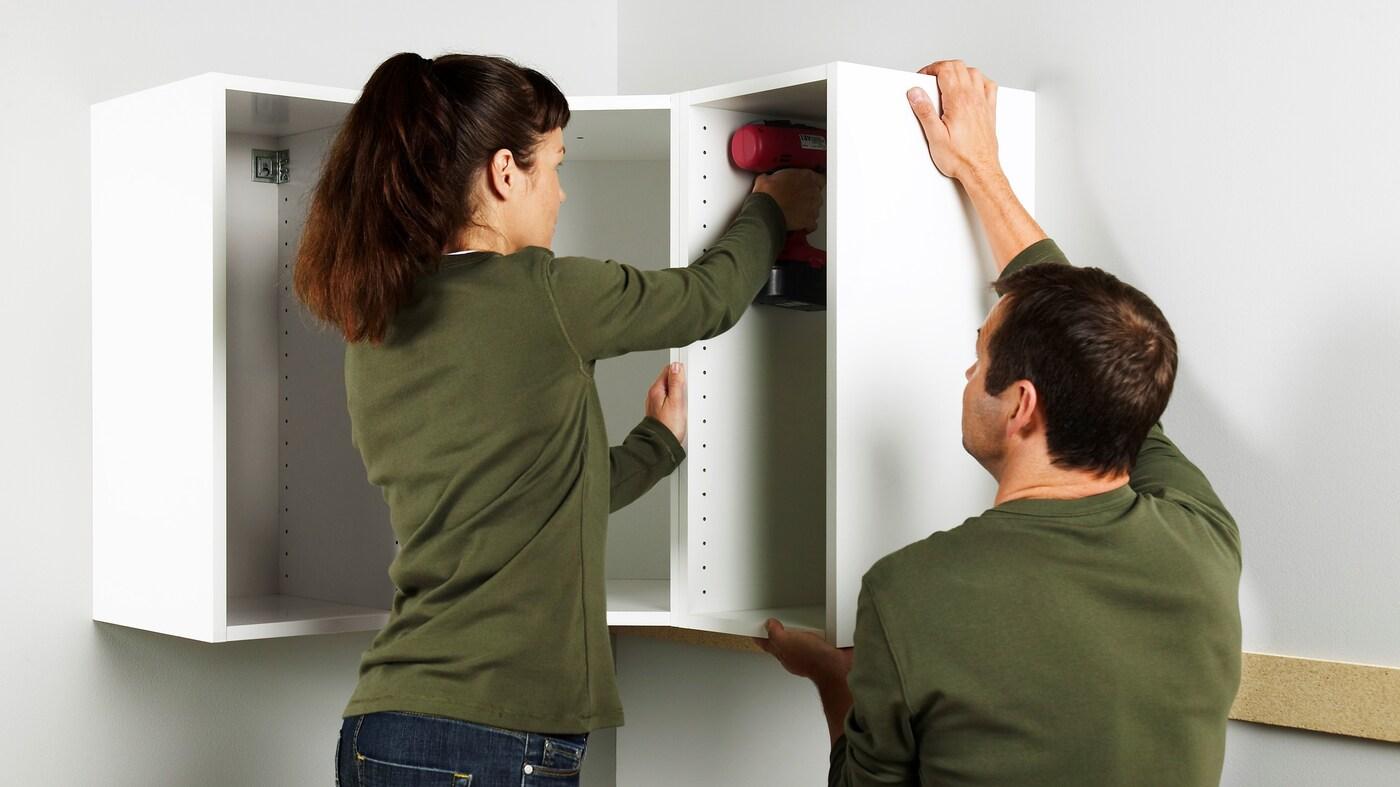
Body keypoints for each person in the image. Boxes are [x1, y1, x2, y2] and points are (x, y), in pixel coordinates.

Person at [293, 52, 824, 786]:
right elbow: (708, 298)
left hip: (379, 729)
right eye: (555, 166)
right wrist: (774, 202)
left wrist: (656, 444)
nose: (563, 194)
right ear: (504, 173)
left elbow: (535, 502)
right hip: (494, 739)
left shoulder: (374, 328)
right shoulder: (545, 292)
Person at [759, 59, 1242, 787]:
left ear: (1020, 404)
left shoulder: (907, 593)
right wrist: (982, 170)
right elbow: (1104, 353)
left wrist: (835, 680)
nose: (965, 375)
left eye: (978, 355)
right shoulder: (1201, 541)